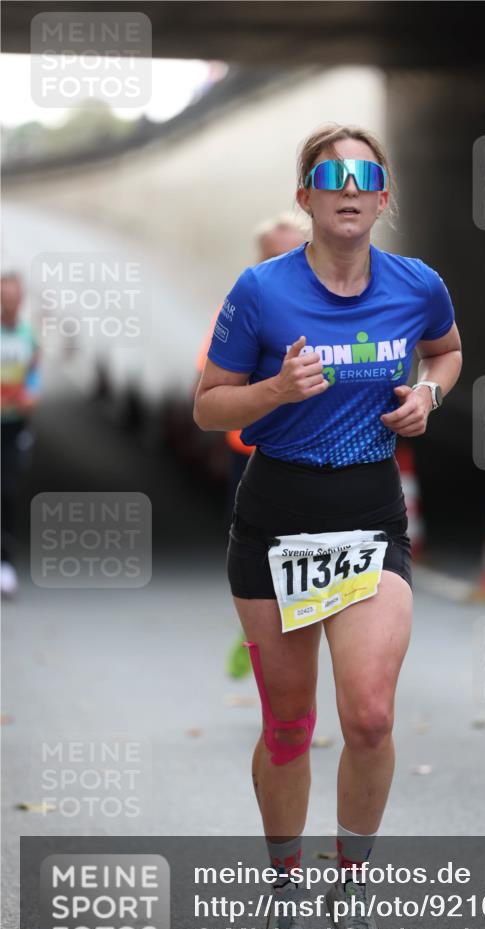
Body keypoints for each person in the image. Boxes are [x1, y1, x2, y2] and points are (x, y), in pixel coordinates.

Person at [194, 124, 462, 929]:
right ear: (306, 195)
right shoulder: (261, 292)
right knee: (287, 727)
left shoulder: (418, 286)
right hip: (276, 518)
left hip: (368, 519)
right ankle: (284, 895)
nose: (348, 188)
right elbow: (208, 406)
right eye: (328, 175)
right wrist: (273, 390)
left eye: (365, 175)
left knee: (372, 714)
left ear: (383, 197)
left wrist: (426, 392)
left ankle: (352, 899)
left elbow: (446, 353)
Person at [194, 214, 309, 678]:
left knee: (303, 553)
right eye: (272, 252)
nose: (281, 260)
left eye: (291, 250)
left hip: (310, 454)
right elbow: (210, 382)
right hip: (251, 456)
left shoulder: (324, 305)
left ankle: (291, 631)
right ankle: (260, 634)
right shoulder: (243, 305)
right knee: (258, 557)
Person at [1, 271, 40, 598]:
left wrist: (27, 396)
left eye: (14, 298)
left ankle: (5, 563)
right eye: (4, 298)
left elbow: (34, 380)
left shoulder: (29, 337)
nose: (9, 304)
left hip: (14, 427)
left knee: (8, 491)